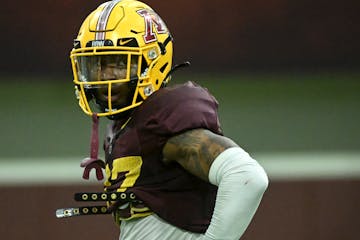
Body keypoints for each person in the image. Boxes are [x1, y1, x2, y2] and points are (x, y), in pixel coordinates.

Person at [69, 0, 268, 239]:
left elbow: (246, 176)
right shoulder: (127, 124)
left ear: (152, 61)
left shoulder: (162, 121)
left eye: (118, 64)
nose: (103, 77)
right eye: (96, 65)